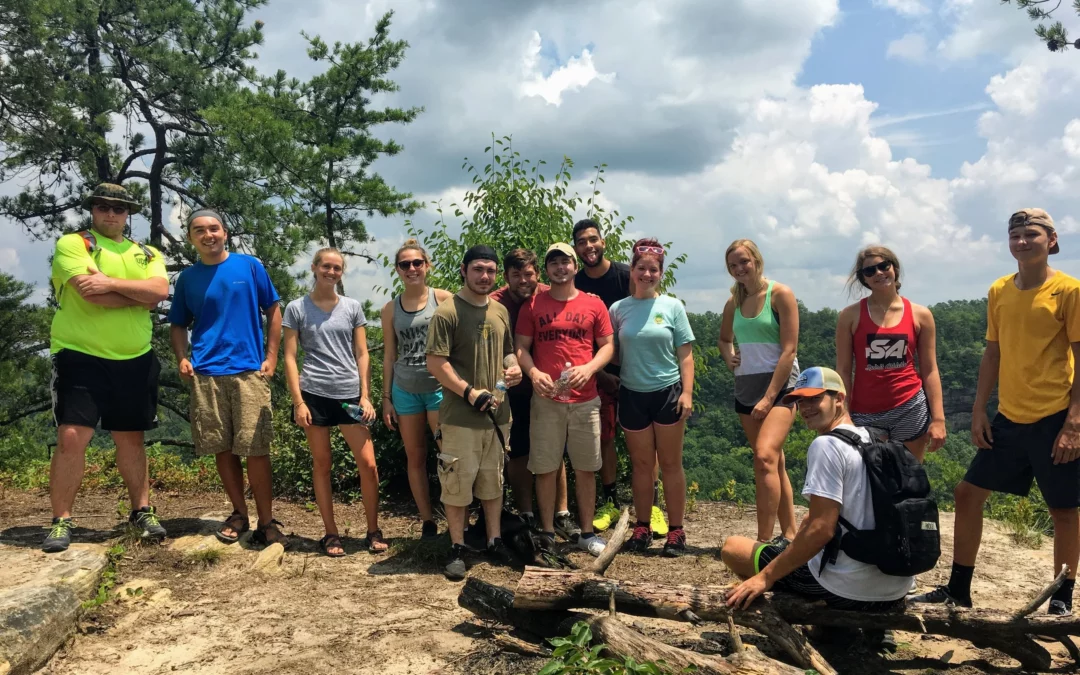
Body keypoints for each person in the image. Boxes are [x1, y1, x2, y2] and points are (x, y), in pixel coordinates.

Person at [912, 208, 1080, 616]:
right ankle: (958, 589)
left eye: (1031, 234)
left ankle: (1061, 596)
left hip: (1056, 414)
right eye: (1015, 235)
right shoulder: (999, 290)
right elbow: (992, 353)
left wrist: (1075, 423)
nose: (1022, 242)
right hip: (1009, 416)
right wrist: (978, 410)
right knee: (967, 494)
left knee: (1063, 509)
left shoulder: (1069, 291)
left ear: (1051, 240)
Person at [722, 367, 914, 625]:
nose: (805, 408)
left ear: (839, 399)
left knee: (733, 548)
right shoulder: (874, 439)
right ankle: (854, 630)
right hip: (895, 588)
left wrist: (765, 577)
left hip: (848, 590)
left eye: (814, 399)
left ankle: (824, 626)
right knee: (803, 532)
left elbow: (821, 530)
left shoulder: (827, 445)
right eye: (800, 401)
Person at [42, 183, 170, 553]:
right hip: (80, 355)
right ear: (92, 210)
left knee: (131, 438)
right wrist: (138, 296)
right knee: (71, 437)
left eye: (119, 208)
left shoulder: (147, 252)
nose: (110, 214)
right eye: (102, 207)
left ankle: (141, 511)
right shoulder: (74, 244)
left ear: (128, 214)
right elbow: (89, 292)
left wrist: (110, 283)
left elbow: (160, 292)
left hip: (135, 357)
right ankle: (61, 520)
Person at [169, 209, 286, 548]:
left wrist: (271, 357)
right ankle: (239, 514)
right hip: (207, 372)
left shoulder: (249, 266)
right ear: (191, 238)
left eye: (214, 228)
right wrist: (182, 357)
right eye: (199, 230)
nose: (208, 235)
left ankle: (267, 522)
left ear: (225, 233)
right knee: (222, 447)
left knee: (256, 449)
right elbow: (178, 323)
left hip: (249, 370)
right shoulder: (187, 279)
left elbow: (273, 309)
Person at [426, 245, 523, 580]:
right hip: (459, 417)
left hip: (498, 416)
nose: (484, 276)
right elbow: (435, 363)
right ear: (463, 270)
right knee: (457, 485)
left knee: (493, 481)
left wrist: (514, 368)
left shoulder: (500, 310)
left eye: (490, 270)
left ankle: (494, 541)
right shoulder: (447, 312)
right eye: (478, 269)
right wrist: (468, 392)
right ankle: (457, 546)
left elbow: (508, 352)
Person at [284, 248, 386, 557]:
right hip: (314, 394)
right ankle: (330, 533)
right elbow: (290, 357)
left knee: (368, 465)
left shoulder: (352, 307)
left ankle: (373, 529)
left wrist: (365, 395)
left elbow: (362, 353)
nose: (331, 272)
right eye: (326, 266)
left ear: (342, 272)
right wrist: (298, 402)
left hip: (349, 395)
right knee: (322, 464)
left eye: (337, 268)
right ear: (314, 268)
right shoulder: (296, 308)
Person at [515, 243, 614, 556]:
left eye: (565, 262)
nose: (560, 267)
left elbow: (608, 345)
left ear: (575, 266)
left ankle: (586, 533)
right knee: (545, 467)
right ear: (547, 270)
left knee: (586, 468)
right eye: (554, 263)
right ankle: (547, 532)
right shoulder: (533, 305)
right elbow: (521, 347)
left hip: (585, 400)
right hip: (547, 399)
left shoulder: (593, 304)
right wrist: (533, 374)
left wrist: (590, 368)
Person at [573, 218, 665, 536]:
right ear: (576, 248)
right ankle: (610, 502)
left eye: (593, 239)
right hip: (598, 373)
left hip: (638, 372)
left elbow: (650, 314)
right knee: (605, 438)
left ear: (603, 242)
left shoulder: (627, 275)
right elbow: (577, 336)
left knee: (649, 443)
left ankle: (653, 506)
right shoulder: (576, 282)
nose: (588, 246)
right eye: (582, 242)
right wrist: (599, 374)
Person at [609, 239, 695, 556]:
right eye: (641, 268)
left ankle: (676, 531)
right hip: (632, 393)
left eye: (653, 270)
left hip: (667, 392)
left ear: (661, 273)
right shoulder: (618, 309)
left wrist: (687, 393)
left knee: (671, 464)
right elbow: (611, 351)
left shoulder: (672, 306)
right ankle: (642, 527)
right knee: (642, 466)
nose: (647, 274)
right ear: (631, 270)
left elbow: (686, 355)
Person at [718, 239, 800, 545]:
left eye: (744, 262)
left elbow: (790, 350)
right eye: (733, 265)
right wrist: (729, 357)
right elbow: (724, 339)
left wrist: (769, 398)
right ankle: (790, 534)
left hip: (780, 386)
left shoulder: (780, 294)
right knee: (773, 461)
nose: (739, 269)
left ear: (757, 260)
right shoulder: (733, 303)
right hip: (746, 386)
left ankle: (763, 543)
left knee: (764, 458)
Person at [490, 248, 576, 536]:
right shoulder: (495, 303)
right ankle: (526, 512)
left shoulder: (549, 295)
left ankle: (561, 513)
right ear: (506, 277)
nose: (523, 280)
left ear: (538, 274)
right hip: (513, 387)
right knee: (519, 451)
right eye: (516, 275)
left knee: (555, 450)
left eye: (528, 274)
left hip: (550, 387)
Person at [835, 246, 946, 461]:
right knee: (871, 477)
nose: (878, 273)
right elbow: (843, 370)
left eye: (883, 266)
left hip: (910, 407)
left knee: (909, 476)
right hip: (865, 412)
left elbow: (930, 369)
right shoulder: (850, 316)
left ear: (894, 268)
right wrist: (843, 415)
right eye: (870, 271)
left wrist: (938, 419)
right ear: (863, 278)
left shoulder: (920, 315)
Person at [380, 239, 453, 540]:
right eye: (405, 264)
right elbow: (389, 355)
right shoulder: (389, 309)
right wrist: (386, 398)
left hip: (439, 389)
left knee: (448, 456)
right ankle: (428, 521)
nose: (411, 268)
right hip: (405, 390)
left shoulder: (444, 299)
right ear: (398, 270)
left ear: (426, 265)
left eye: (417, 263)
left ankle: (456, 519)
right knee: (415, 457)